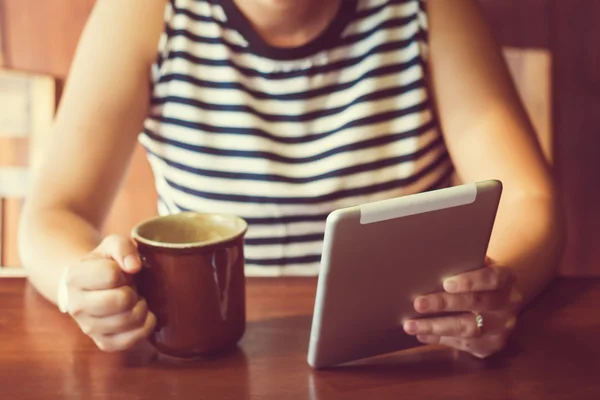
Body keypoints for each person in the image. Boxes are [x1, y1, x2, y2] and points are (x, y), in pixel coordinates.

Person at [19, 0, 563, 358]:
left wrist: (498, 285)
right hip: (208, 361)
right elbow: (52, 214)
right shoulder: (146, 14)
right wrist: (77, 283)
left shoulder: (428, 11)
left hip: (400, 356)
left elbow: (529, 199)